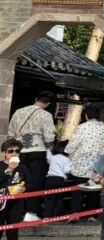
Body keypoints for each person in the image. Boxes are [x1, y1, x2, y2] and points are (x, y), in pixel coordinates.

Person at [7, 90, 55, 220]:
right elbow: (49, 137)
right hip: (37, 151)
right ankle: (31, 213)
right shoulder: (46, 115)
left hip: (19, 151)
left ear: (36, 98)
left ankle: (16, 211)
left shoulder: (19, 112)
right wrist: (50, 147)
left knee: (18, 181)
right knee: (35, 182)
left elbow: (10, 133)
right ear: (48, 103)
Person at [1, 139, 28, 240]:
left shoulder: (23, 168)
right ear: (4, 153)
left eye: (17, 151)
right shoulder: (1, 166)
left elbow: (29, 183)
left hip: (16, 203)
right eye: (10, 151)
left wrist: (24, 188)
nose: (14, 153)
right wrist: (10, 169)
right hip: (1, 204)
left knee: (12, 232)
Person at [42, 148, 74, 218]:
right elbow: (67, 170)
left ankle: (47, 216)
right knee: (59, 199)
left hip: (50, 179)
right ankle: (58, 216)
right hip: (59, 180)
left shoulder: (52, 158)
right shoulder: (66, 159)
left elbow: (48, 156)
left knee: (50, 199)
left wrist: (48, 148)